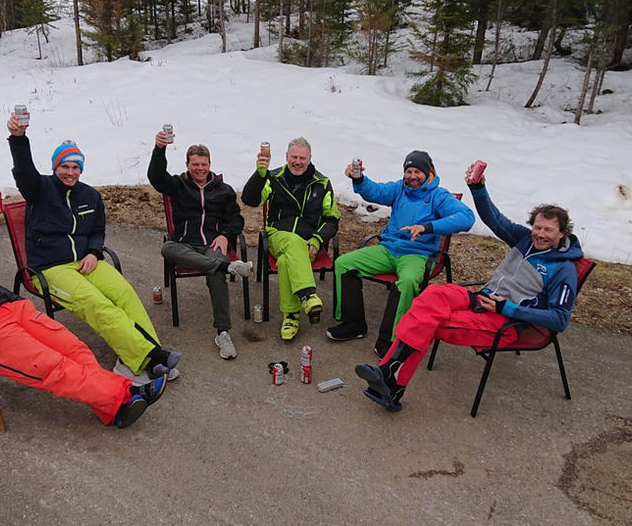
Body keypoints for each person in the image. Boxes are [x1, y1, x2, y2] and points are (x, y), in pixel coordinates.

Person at [0, 199, 166, 427]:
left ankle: (112, 407)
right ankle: (127, 393)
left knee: (73, 348)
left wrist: (12, 300)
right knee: (52, 366)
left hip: (6, 308)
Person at [355, 164, 583, 411]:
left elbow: (559, 320)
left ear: (562, 233)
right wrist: (478, 187)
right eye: (537, 227)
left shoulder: (564, 269)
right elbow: (493, 219)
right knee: (431, 294)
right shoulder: (524, 239)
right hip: (482, 298)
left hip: (505, 321)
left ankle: (391, 381)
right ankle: (389, 376)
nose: (539, 234)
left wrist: (508, 308)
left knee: (430, 322)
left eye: (548, 230)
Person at [6, 112, 180, 383]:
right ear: (55, 167)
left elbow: (97, 231)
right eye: (65, 166)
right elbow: (24, 170)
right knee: (97, 304)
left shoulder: (90, 195)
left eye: (75, 167)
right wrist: (19, 138)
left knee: (124, 293)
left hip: (86, 262)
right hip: (50, 269)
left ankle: (142, 356)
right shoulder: (38, 189)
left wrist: (93, 252)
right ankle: (148, 359)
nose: (70, 172)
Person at [326, 151, 475, 355]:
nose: (412, 176)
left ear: (428, 172)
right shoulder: (399, 188)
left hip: (417, 254)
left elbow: (467, 218)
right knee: (344, 263)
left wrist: (428, 227)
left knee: (407, 282)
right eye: (409, 171)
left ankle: (392, 337)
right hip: (388, 249)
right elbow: (375, 192)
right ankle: (354, 324)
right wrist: (358, 179)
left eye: (417, 172)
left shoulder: (438, 196)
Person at [147, 131, 253, 360]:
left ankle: (223, 333)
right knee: (167, 248)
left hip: (213, 244)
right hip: (185, 244)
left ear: (209, 165)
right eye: (195, 164)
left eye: (203, 164)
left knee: (215, 273)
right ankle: (228, 267)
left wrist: (226, 235)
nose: (200, 169)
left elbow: (236, 220)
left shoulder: (223, 190)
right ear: (187, 165)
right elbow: (155, 177)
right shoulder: (177, 185)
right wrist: (159, 149)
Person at [242, 137, 341, 340]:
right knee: (291, 242)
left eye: (302, 158)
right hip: (277, 236)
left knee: (286, 260)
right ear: (287, 157)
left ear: (309, 158)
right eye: (294, 157)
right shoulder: (273, 177)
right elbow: (249, 200)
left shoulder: (321, 183)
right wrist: (260, 174)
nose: (298, 162)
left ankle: (291, 315)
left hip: (308, 244)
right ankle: (307, 294)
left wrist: (317, 240)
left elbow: (332, 219)